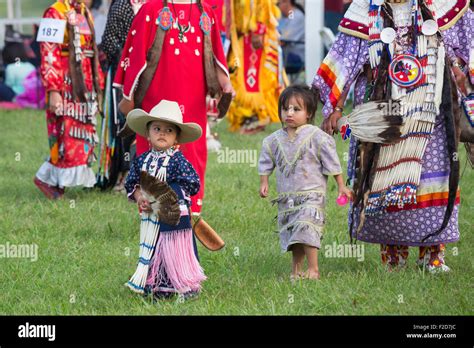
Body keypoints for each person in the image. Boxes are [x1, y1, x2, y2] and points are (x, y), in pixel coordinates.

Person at [313, 0, 473, 272]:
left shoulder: (443, 5)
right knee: (383, 182)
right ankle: (393, 257)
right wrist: (335, 106)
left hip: (432, 112)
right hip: (384, 114)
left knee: (432, 180)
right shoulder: (364, 10)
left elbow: (469, 40)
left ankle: (433, 256)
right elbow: (344, 57)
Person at [114, 0, 234, 217]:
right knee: (155, 149)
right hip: (157, 95)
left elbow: (216, 52)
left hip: (193, 98)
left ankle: (190, 210)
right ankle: (153, 208)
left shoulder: (204, 11)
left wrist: (225, 83)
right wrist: (129, 95)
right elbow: (136, 52)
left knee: (192, 150)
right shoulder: (151, 9)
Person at [258, 85, 352, 280]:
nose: (289, 113)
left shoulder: (317, 137)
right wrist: (264, 181)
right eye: (286, 109)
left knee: (307, 228)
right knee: (294, 234)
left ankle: (313, 269)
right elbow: (266, 160)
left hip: (311, 195)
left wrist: (341, 185)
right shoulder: (274, 140)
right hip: (288, 198)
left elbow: (332, 162)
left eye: (296, 109)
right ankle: (296, 270)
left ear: (309, 113)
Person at [124, 99, 206, 299]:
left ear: (177, 138)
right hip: (151, 219)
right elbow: (131, 182)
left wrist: (171, 195)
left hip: (174, 218)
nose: (162, 133)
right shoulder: (142, 160)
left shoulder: (177, 160)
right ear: (148, 134)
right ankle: (157, 285)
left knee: (175, 249)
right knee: (154, 249)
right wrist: (139, 195)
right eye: (157, 128)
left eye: (169, 130)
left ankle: (184, 284)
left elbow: (193, 183)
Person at [34, 0, 104, 199]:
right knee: (64, 131)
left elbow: (92, 52)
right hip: (65, 81)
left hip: (85, 83)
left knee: (82, 133)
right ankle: (49, 180)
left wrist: (98, 84)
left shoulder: (84, 12)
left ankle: (55, 181)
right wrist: (53, 90)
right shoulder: (54, 12)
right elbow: (48, 53)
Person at [96, 0, 148, 191]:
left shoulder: (154, 6)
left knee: (145, 124)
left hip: (148, 75)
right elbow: (109, 41)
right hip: (123, 75)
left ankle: (144, 175)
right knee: (124, 123)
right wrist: (127, 68)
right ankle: (122, 174)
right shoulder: (121, 6)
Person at [225, 0, 286, 133]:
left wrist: (258, 29)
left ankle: (256, 116)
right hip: (241, 36)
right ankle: (246, 117)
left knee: (253, 78)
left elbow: (263, 5)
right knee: (240, 74)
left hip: (254, 37)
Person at [278, 0, 305, 78]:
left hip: (296, 55)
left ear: (287, 2)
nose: (277, 6)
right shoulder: (290, 14)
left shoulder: (295, 15)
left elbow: (283, 40)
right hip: (287, 53)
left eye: (278, 3)